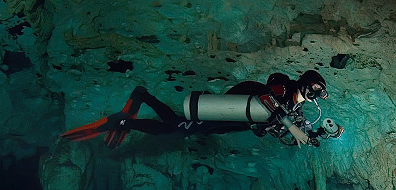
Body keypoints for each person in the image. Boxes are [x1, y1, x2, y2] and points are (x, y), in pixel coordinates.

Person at [61, 69, 339, 148]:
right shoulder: (283, 89)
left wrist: (317, 136)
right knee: (173, 132)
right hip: (222, 112)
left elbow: (292, 127)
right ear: (308, 85)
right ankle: (121, 122)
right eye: (317, 91)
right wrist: (290, 126)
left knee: (178, 126)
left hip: (228, 123)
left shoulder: (294, 109)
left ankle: (143, 95)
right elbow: (266, 101)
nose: (316, 97)